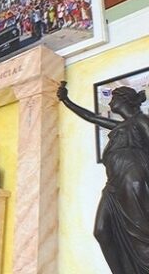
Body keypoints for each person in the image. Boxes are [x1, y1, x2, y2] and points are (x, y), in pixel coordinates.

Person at [57, 81, 149, 273]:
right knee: (101, 231)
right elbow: (91, 117)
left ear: (124, 100)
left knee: (140, 236)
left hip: (133, 180)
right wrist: (66, 100)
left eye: (113, 98)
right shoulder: (121, 126)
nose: (110, 103)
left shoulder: (141, 120)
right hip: (114, 185)